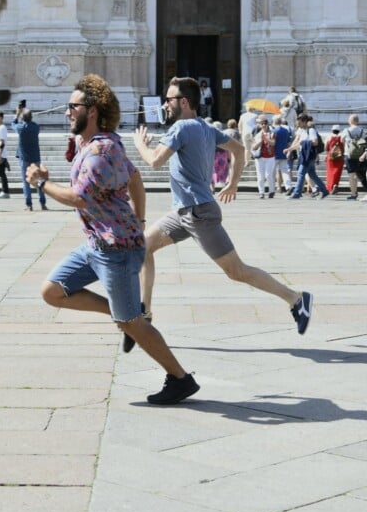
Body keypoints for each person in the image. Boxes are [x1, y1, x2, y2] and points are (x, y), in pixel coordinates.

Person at [27, 73, 200, 405]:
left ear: (91, 111)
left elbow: (80, 198)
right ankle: (126, 313)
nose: (67, 112)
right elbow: (136, 179)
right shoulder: (94, 143)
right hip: (97, 245)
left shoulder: (101, 152)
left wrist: (40, 183)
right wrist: (139, 219)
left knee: (132, 324)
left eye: (71, 106)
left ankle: (180, 379)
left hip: (117, 251)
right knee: (52, 291)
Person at [131, 76, 313, 353]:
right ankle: (145, 312)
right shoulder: (203, 127)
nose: (165, 104)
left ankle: (296, 298)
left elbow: (154, 160)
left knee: (236, 271)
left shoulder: (181, 126)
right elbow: (239, 150)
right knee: (143, 246)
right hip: (183, 212)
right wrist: (232, 182)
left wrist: (139, 143)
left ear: (183, 101)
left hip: (199, 213)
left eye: (169, 99)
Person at [13, 104, 47, 212]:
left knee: (26, 182)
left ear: (23, 118)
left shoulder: (20, 128)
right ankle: (42, 203)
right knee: (39, 180)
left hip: (24, 158)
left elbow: (13, 124)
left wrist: (17, 114)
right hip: (35, 157)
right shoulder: (36, 127)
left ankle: (29, 205)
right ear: (31, 117)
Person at [287, 114, 329, 199]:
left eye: (299, 122)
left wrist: (305, 143)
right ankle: (324, 191)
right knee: (312, 175)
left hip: (308, 155)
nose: (297, 124)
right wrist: (290, 149)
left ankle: (297, 193)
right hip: (304, 154)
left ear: (304, 122)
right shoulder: (302, 131)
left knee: (301, 173)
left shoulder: (311, 130)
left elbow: (315, 142)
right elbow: (299, 143)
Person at [340, 114, 367, 200]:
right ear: (357, 121)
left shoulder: (346, 130)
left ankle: (353, 193)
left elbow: (342, 140)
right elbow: (364, 140)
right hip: (360, 154)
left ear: (350, 121)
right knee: (357, 173)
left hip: (349, 154)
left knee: (351, 174)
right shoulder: (362, 130)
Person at [253, 116, 276, 198]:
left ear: (267, 124)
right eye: (262, 124)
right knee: (260, 176)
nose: (263, 125)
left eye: (265, 124)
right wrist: (260, 141)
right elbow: (254, 147)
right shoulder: (257, 134)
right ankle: (261, 192)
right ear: (260, 125)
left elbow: (273, 143)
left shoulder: (272, 133)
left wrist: (265, 138)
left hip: (270, 157)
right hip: (260, 157)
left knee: (268, 175)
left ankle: (272, 190)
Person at [272, 115, 293, 194]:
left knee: (272, 172)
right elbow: (288, 143)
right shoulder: (286, 130)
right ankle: (288, 187)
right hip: (283, 153)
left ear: (274, 122)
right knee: (285, 172)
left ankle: (273, 188)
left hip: (274, 154)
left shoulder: (274, 131)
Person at [324, 125, 345, 194]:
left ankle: (330, 187)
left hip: (330, 157)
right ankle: (335, 184)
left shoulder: (328, 137)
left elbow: (326, 148)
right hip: (339, 157)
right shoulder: (342, 137)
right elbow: (344, 147)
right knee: (337, 173)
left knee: (330, 173)